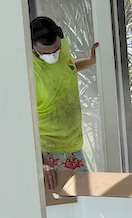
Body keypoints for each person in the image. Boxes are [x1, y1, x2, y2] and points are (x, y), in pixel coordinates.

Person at [30, 15, 98, 190]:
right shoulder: (28, 71)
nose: (53, 55)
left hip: (74, 145)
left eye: (56, 50)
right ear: (31, 46)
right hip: (49, 151)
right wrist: (38, 163)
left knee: (84, 198)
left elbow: (66, 68)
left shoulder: (61, 46)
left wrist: (89, 62)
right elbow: (19, 121)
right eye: (46, 53)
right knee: (62, 206)